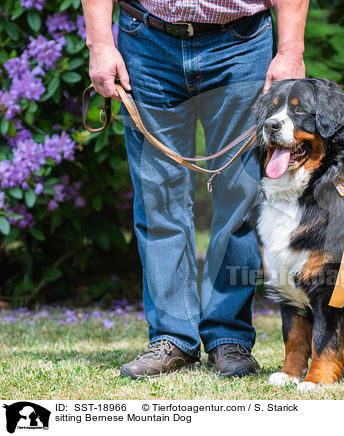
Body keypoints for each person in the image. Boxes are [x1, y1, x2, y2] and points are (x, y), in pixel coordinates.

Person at [82, 0, 308, 379]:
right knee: (159, 202)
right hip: (147, 38)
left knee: (240, 200)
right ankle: (172, 338)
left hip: (241, 41)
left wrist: (290, 50)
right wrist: (101, 43)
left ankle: (228, 337)